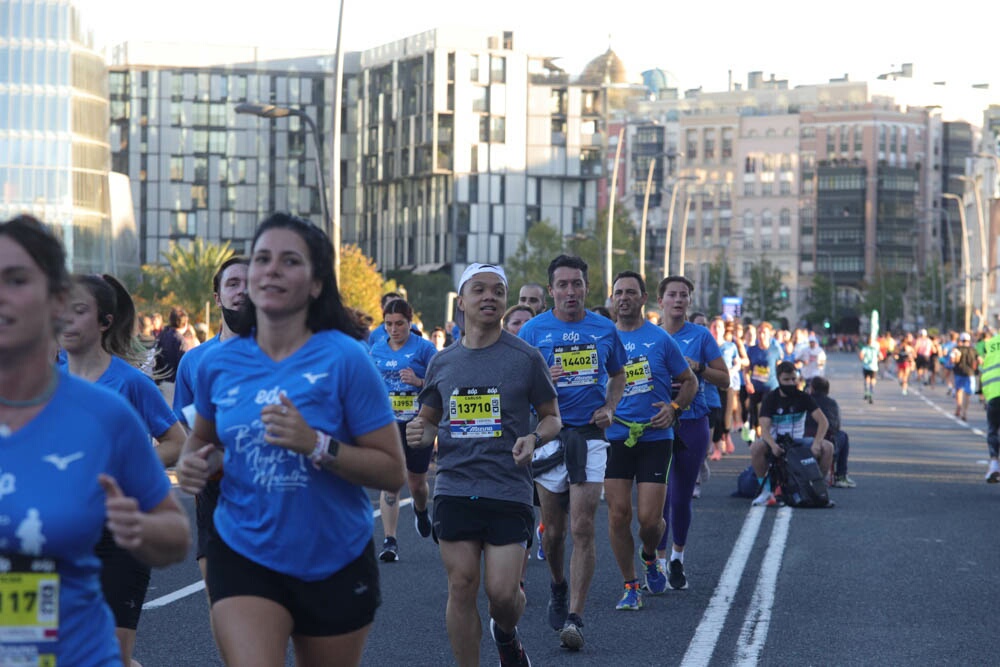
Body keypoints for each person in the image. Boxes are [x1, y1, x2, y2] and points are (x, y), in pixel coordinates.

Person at [175, 213, 406, 667]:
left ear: (316, 283)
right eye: (263, 259)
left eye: (289, 260)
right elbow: (198, 446)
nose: (271, 270)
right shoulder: (217, 364)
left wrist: (317, 444)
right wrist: (191, 466)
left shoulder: (347, 358)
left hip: (334, 555)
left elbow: (391, 470)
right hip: (243, 549)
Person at [0, 215, 189, 666]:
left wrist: (138, 528)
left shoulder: (106, 413)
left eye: (18, 279)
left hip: (80, 650)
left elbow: (176, 535)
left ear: (56, 302)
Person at [407, 262, 560, 667]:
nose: (489, 297)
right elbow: (428, 420)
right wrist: (419, 431)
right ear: (462, 301)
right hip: (456, 485)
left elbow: (551, 416)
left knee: (503, 595)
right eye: (479, 290)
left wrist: (534, 438)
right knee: (461, 585)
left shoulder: (525, 358)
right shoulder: (442, 362)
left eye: (497, 290)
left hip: (507, 487)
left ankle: (506, 634)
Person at [60, 273, 188, 667]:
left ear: (105, 322)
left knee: (110, 655)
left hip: (117, 534)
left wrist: (128, 470)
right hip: (53, 531)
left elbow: (177, 442)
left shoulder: (130, 383)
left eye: (78, 310)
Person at [518, 254, 626, 650]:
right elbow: (518, 389)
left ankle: (576, 618)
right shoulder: (531, 331)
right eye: (562, 285)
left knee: (582, 526)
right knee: (554, 533)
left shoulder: (604, 329)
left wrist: (610, 407)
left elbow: (618, 374)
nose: (570, 291)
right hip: (549, 437)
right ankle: (559, 584)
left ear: (586, 288)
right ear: (551, 291)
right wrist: (543, 386)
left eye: (576, 284)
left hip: (589, 436)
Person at [606, 271, 697, 610]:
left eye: (631, 292)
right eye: (619, 293)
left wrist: (674, 409)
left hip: (655, 437)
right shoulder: (603, 338)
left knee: (648, 520)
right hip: (615, 436)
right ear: (612, 298)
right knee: (617, 515)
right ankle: (631, 585)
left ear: (644, 298)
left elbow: (689, 382)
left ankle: (649, 556)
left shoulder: (659, 340)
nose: (624, 298)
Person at [172, 255, 249, 581]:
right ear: (217, 297)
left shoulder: (284, 356)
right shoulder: (194, 361)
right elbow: (185, 426)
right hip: (215, 487)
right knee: (221, 596)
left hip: (275, 489)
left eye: (250, 284)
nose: (242, 291)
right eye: (233, 284)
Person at [655, 276, 729, 589]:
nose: (678, 300)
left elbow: (724, 379)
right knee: (657, 497)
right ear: (660, 301)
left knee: (681, 495)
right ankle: (655, 563)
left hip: (692, 421)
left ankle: (676, 559)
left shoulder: (700, 336)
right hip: (655, 421)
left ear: (689, 301)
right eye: (672, 295)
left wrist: (698, 368)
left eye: (684, 295)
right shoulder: (649, 335)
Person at [370, 298, 438, 562]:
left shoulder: (424, 349)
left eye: (400, 324)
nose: (394, 329)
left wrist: (418, 381)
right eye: (388, 324)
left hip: (417, 423)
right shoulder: (376, 350)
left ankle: (421, 511)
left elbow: (439, 383)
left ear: (410, 323)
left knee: (417, 483)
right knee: (392, 481)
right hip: (388, 425)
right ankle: (390, 541)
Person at [748, 361, 835, 506]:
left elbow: (823, 422)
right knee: (756, 447)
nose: (791, 383)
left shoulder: (804, 397)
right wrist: (773, 445)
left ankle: (818, 488)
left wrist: (817, 442)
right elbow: (764, 429)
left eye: (794, 379)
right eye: (786, 380)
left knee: (828, 447)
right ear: (778, 380)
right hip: (777, 442)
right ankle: (767, 492)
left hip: (798, 442)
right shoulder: (770, 399)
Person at [805, 376, 856, 488]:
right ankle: (841, 475)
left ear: (812, 388)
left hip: (805, 440)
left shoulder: (805, 401)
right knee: (843, 435)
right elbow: (835, 426)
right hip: (827, 442)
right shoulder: (832, 403)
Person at [745, 321, 782, 437]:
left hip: (771, 386)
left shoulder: (775, 350)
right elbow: (746, 369)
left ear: (770, 334)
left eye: (764, 333)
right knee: (754, 414)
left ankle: (768, 435)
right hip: (755, 387)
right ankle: (758, 433)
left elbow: (780, 369)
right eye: (759, 332)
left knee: (766, 413)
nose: (761, 335)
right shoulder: (751, 350)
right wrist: (747, 382)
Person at [980, 329, 1000, 482]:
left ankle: (994, 463)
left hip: (993, 392)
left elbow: (983, 366)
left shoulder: (991, 343)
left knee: (993, 429)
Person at [950, 332, 979, 421]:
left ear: (961, 340)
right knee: (967, 394)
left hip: (959, 372)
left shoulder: (956, 349)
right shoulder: (973, 350)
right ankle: (964, 412)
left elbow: (952, 360)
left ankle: (958, 406)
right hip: (970, 373)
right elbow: (979, 360)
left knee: (959, 391)